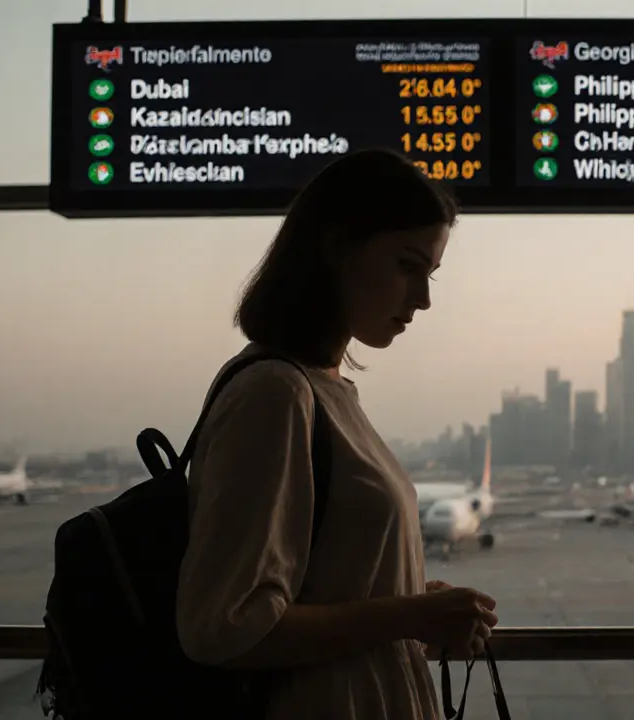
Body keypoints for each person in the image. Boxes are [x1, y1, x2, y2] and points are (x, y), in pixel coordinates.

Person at [175, 148, 498, 720]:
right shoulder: (276, 393)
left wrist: (414, 606)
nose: (423, 299)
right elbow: (224, 628)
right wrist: (408, 617)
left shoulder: (323, 390)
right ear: (336, 247)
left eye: (430, 273)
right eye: (408, 265)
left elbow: (320, 592)